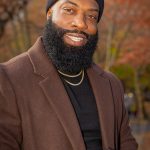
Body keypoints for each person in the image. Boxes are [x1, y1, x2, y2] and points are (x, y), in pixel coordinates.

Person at [0, 0, 138, 150]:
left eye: (91, 16)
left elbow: (127, 143)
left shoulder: (111, 85)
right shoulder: (9, 79)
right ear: (49, 14)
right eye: (69, 10)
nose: (81, 23)